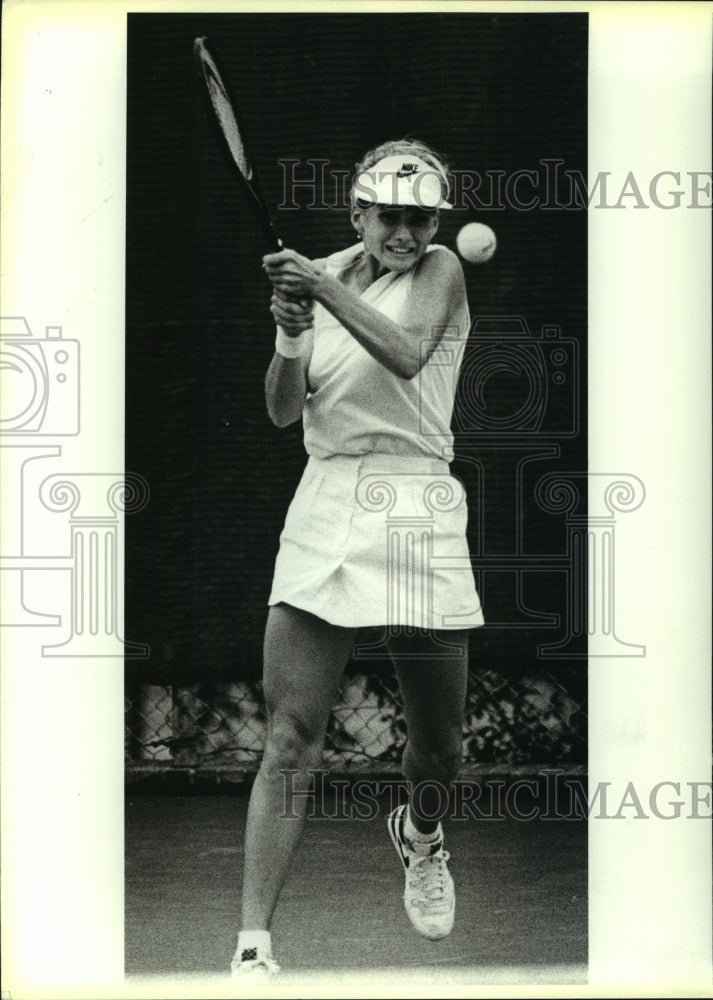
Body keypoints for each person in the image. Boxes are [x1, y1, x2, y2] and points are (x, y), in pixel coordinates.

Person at [231, 139, 484, 978]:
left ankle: (422, 836)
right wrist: (291, 333)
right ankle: (253, 948)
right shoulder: (322, 274)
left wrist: (320, 290)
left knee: (439, 749)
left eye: (420, 217)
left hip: (417, 501)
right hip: (327, 498)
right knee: (290, 736)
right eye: (390, 216)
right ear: (358, 213)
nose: (405, 232)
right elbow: (279, 412)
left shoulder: (443, 270)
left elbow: (409, 354)